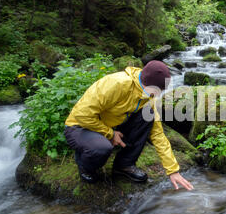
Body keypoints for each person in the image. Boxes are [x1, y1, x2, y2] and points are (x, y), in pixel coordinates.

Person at [64, 60, 194, 191]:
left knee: (147, 114)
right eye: (157, 91)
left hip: (109, 124)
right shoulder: (116, 84)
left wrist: (172, 170)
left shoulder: (148, 96)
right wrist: (110, 134)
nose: (159, 95)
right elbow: (82, 115)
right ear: (148, 84)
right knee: (101, 149)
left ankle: (124, 165)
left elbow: (157, 134)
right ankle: (84, 166)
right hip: (80, 126)